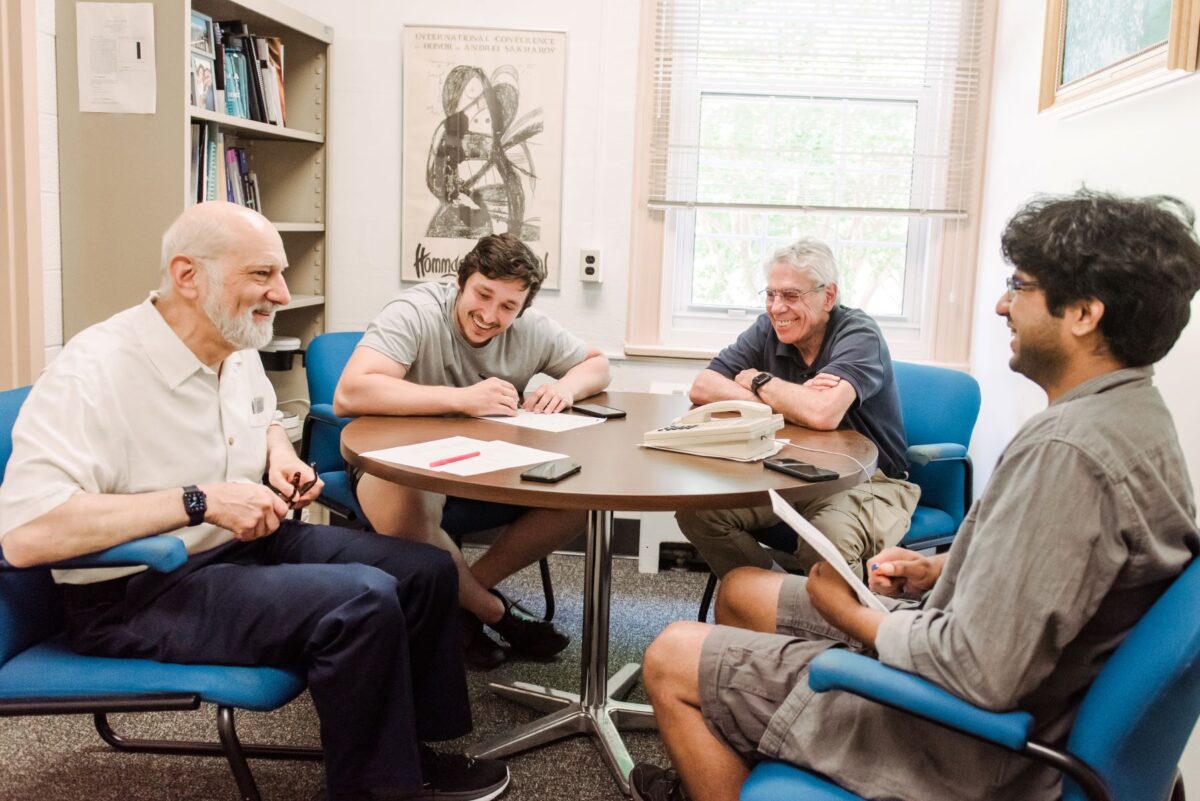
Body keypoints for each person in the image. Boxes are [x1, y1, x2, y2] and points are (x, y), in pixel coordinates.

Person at [628, 190, 1200, 801]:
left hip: (966, 740)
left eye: (1021, 285)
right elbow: (1062, 569)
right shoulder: (1130, 414)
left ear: (1084, 313)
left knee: (669, 654)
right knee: (743, 589)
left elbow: (979, 672)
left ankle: (757, 744)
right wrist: (938, 567)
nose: (1003, 304)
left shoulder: (1069, 455)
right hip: (972, 647)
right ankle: (747, 742)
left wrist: (850, 616)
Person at [0, 202, 509, 801]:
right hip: (138, 590)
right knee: (361, 600)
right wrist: (199, 501)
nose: (284, 293)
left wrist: (279, 457)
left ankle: (408, 754)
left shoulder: (232, 345)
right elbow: (27, 532)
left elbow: (263, 416)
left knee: (422, 570)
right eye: (262, 274)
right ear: (188, 276)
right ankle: (373, 791)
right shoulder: (94, 373)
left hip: (242, 545)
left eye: (282, 274)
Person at [335, 233, 611, 668]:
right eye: (483, 295)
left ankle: (464, 600)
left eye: (507, 307)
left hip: (489, 466)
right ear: (461, 281)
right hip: (400, 463)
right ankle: (498, 614)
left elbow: (598, 364)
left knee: (579, 501)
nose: (489, 315)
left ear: (523, 308)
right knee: (412, 507)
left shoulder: (529, 328)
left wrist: (563, 386)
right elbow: (349, 393)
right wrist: (462, 398)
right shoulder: (415, 312)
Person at [675, 238, 919, 582]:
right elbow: (703, 386)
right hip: (790, 474)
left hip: (867, 481)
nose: (776, 308)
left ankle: (851, 631)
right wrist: (784, 403)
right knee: (699, 514)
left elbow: (822, 414)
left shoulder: (859, 333)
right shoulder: (768, 328)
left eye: (791, 296)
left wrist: (759, 381)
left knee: (825, 539)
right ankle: (772, 602)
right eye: (771, 294)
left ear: (828, 296)